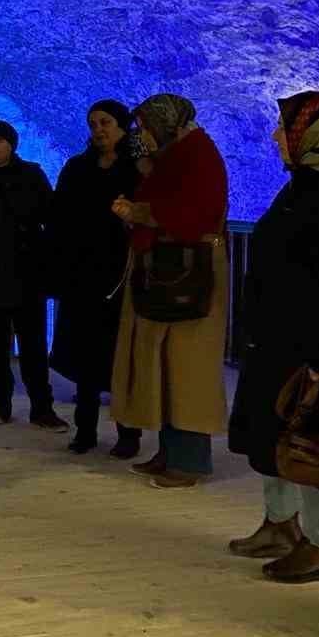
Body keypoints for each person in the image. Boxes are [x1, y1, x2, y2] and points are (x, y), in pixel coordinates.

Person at [227, 93, 319, 583]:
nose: (274, 137)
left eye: (283, 127)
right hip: (282, 342)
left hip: (313, 349)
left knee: (314, 446)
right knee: (274, 437)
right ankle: (280, 524)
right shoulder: (307, 185)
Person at [110, 94, 229, 489]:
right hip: (169, 268)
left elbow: (192, 211)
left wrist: (138, 212)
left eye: (146, 126)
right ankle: (169, 450)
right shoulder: (178, 153)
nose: (142, 134)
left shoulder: (197, 155)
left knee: (187, 367)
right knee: (164, 361)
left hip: (190, 272)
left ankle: (190, 460)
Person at [0, 120, 67, 431]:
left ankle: (41, 407)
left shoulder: (32, 175)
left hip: (26, 273)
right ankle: (1, 403)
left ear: (11, 143)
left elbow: (51, 214)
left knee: (33, 345)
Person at [50, 101, 140, 455]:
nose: (99, 129)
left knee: (121, 355)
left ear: (122, 126)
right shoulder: (77, 167)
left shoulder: (136, 169)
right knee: (86, 355)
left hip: (121, 274)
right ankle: (84, 430)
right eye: (93, 123)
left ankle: (128, 432)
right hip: (83, 274)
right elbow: (60, 215)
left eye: (105, 122)